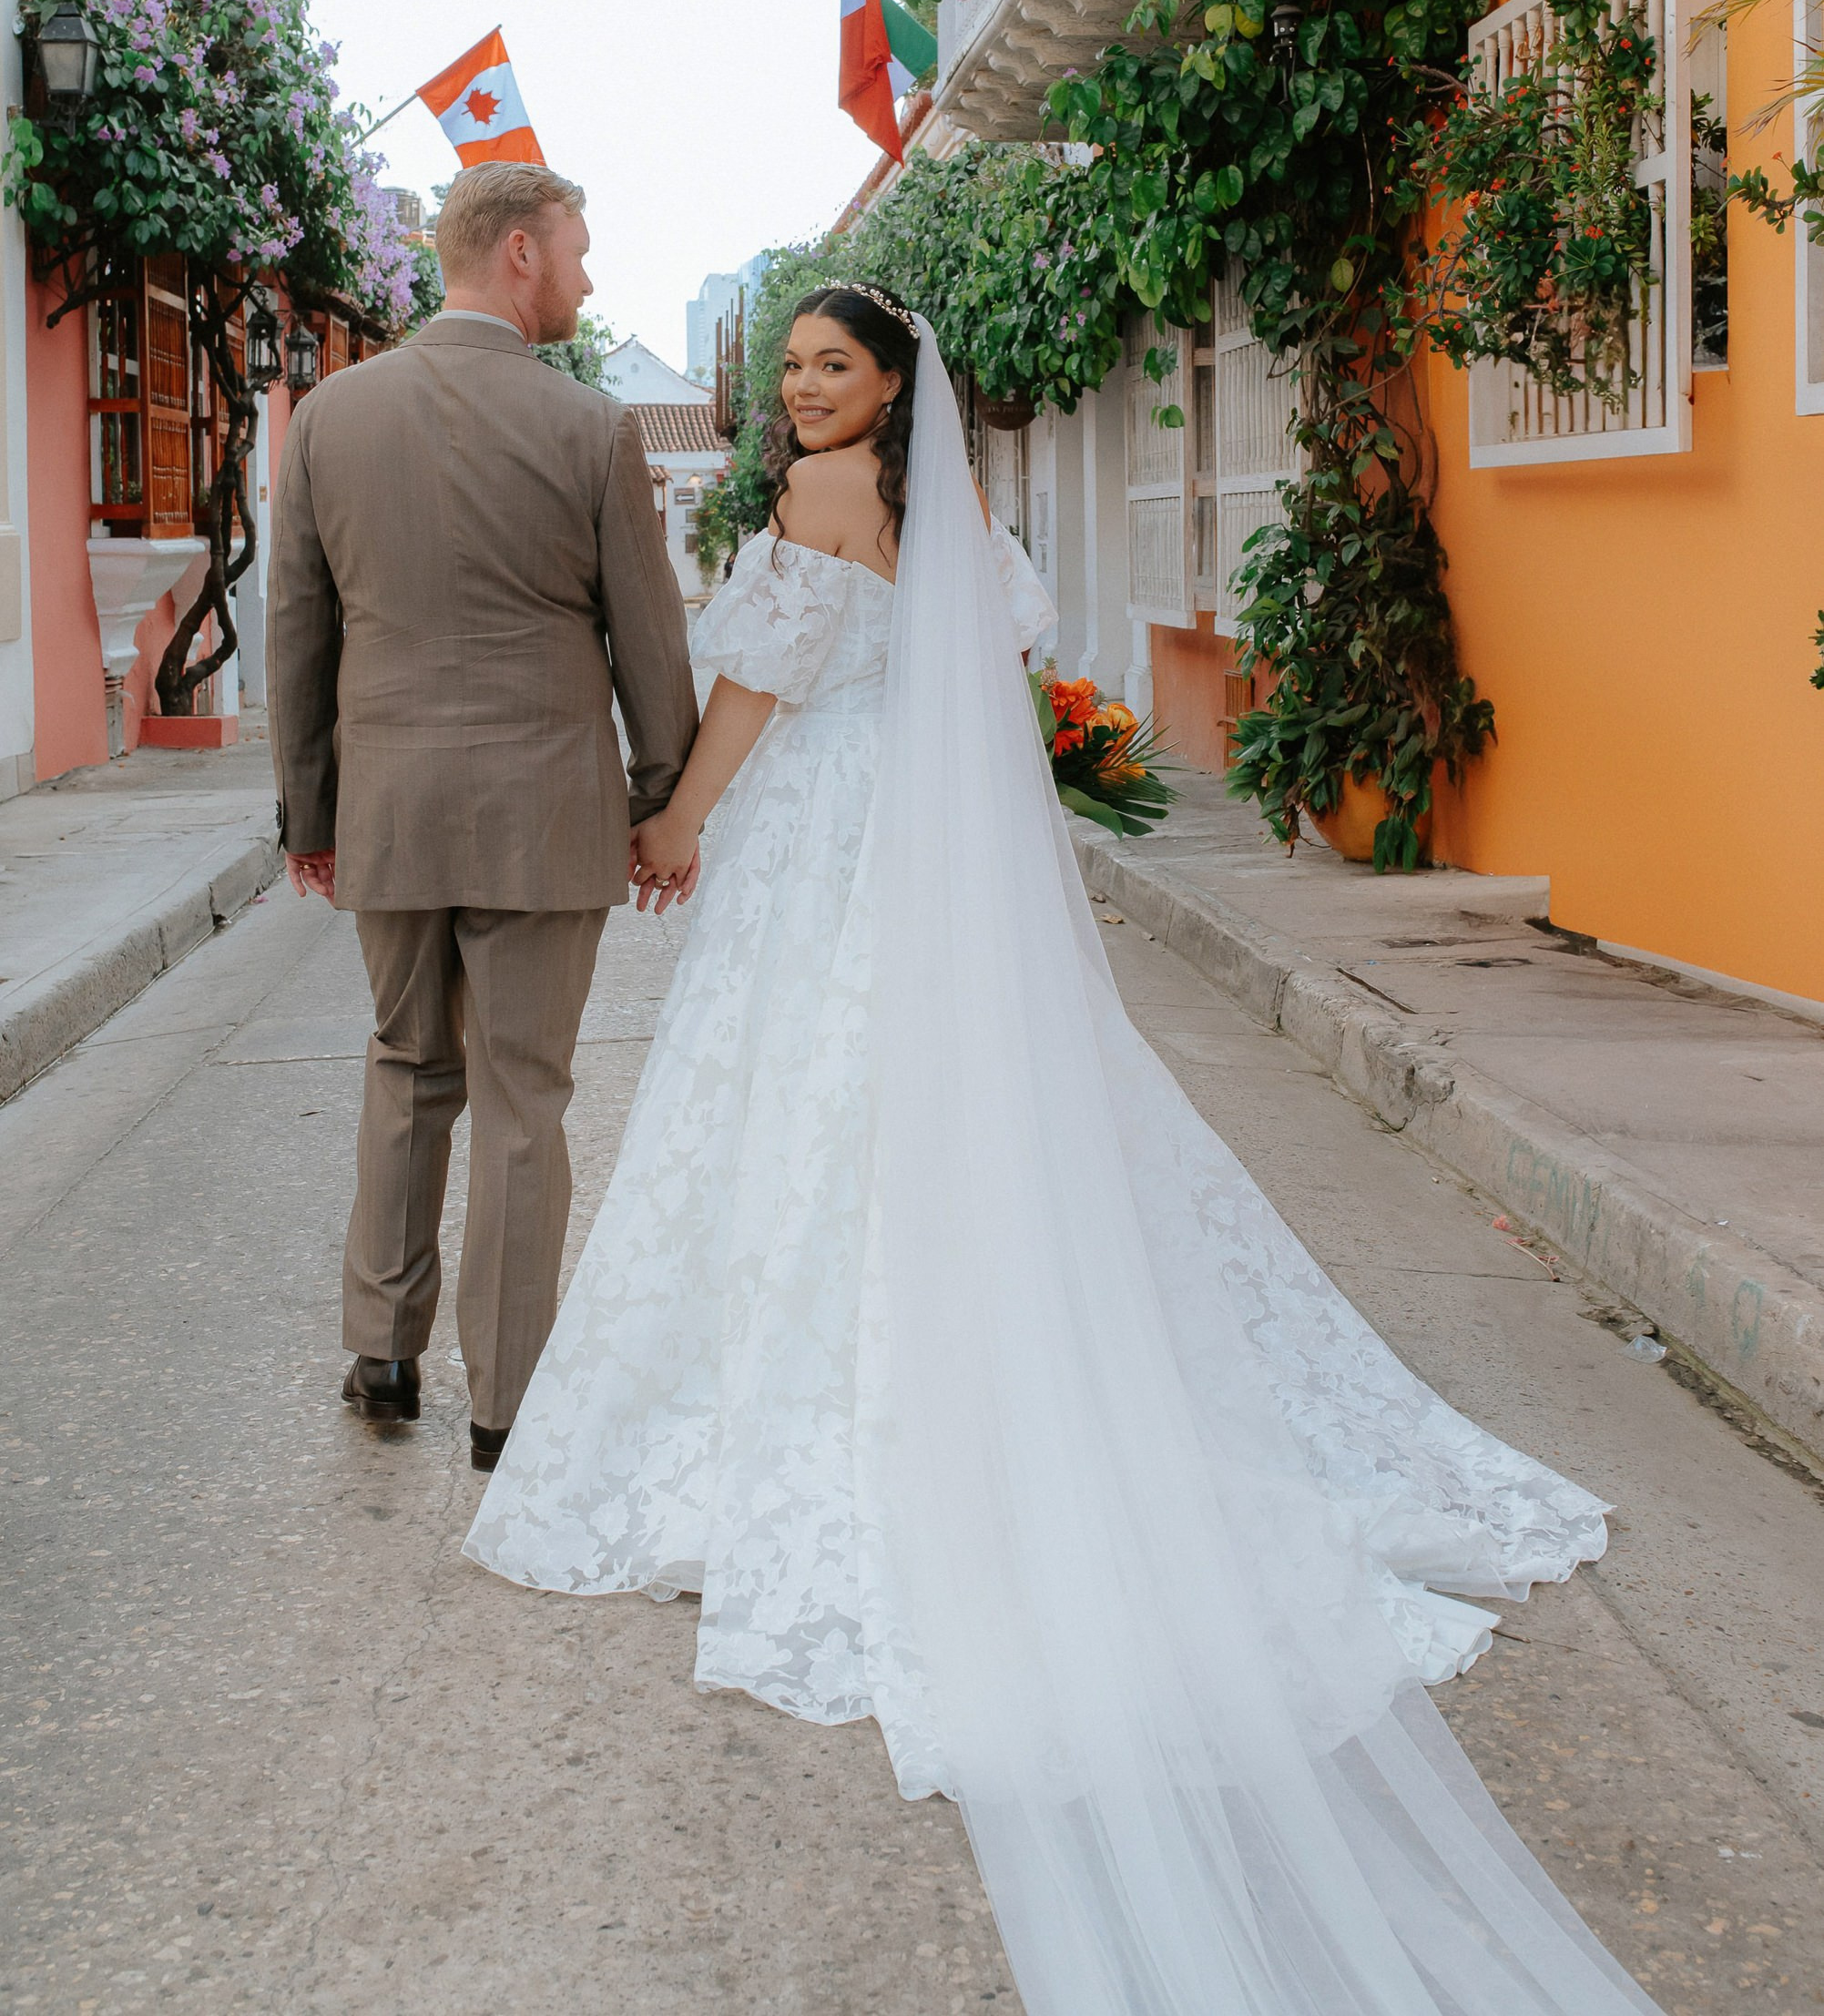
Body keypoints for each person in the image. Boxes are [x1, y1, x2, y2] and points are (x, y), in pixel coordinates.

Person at [466, 281, 1659, 2016]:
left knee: (804, 1113)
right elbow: (1003, 658)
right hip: (931, 846)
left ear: (891, 385)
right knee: (929, 1111)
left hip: (820, 845)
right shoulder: (954, 512)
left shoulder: (807, 508)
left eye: (833, 367)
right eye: (792, 367)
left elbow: (753, 698)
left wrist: (676, 822)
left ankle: (835, 1396)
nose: (803, 390)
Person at [268, 160, 698, 1475]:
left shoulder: (331, 418)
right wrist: (660, 799)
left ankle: (382, 1355)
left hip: (391, 809)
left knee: (407, 1065)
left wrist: (309, 815)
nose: (585, 276)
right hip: (543, 815)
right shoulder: (591, 428)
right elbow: (648, 638)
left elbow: (297, 629)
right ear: (517, 252)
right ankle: (507, 1404)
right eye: (575, 249)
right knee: (524, 1100)